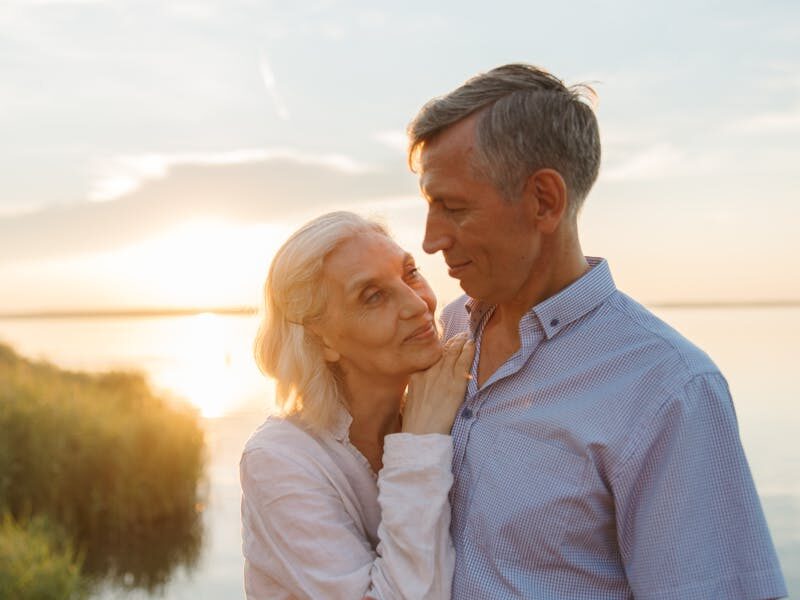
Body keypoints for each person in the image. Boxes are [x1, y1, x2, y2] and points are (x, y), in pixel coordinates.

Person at [407, 63, 787, 599]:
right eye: (428, 205)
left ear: (544, 200)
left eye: (454, 208)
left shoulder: (667, 388)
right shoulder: (446, 332)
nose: (430, 240)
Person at [240, 211, 474, 599]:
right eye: (374, 296)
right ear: (322, 342)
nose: (417, 304)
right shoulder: (279, 458)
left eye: (410, 273)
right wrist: (419, 441)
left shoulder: (448, 396)